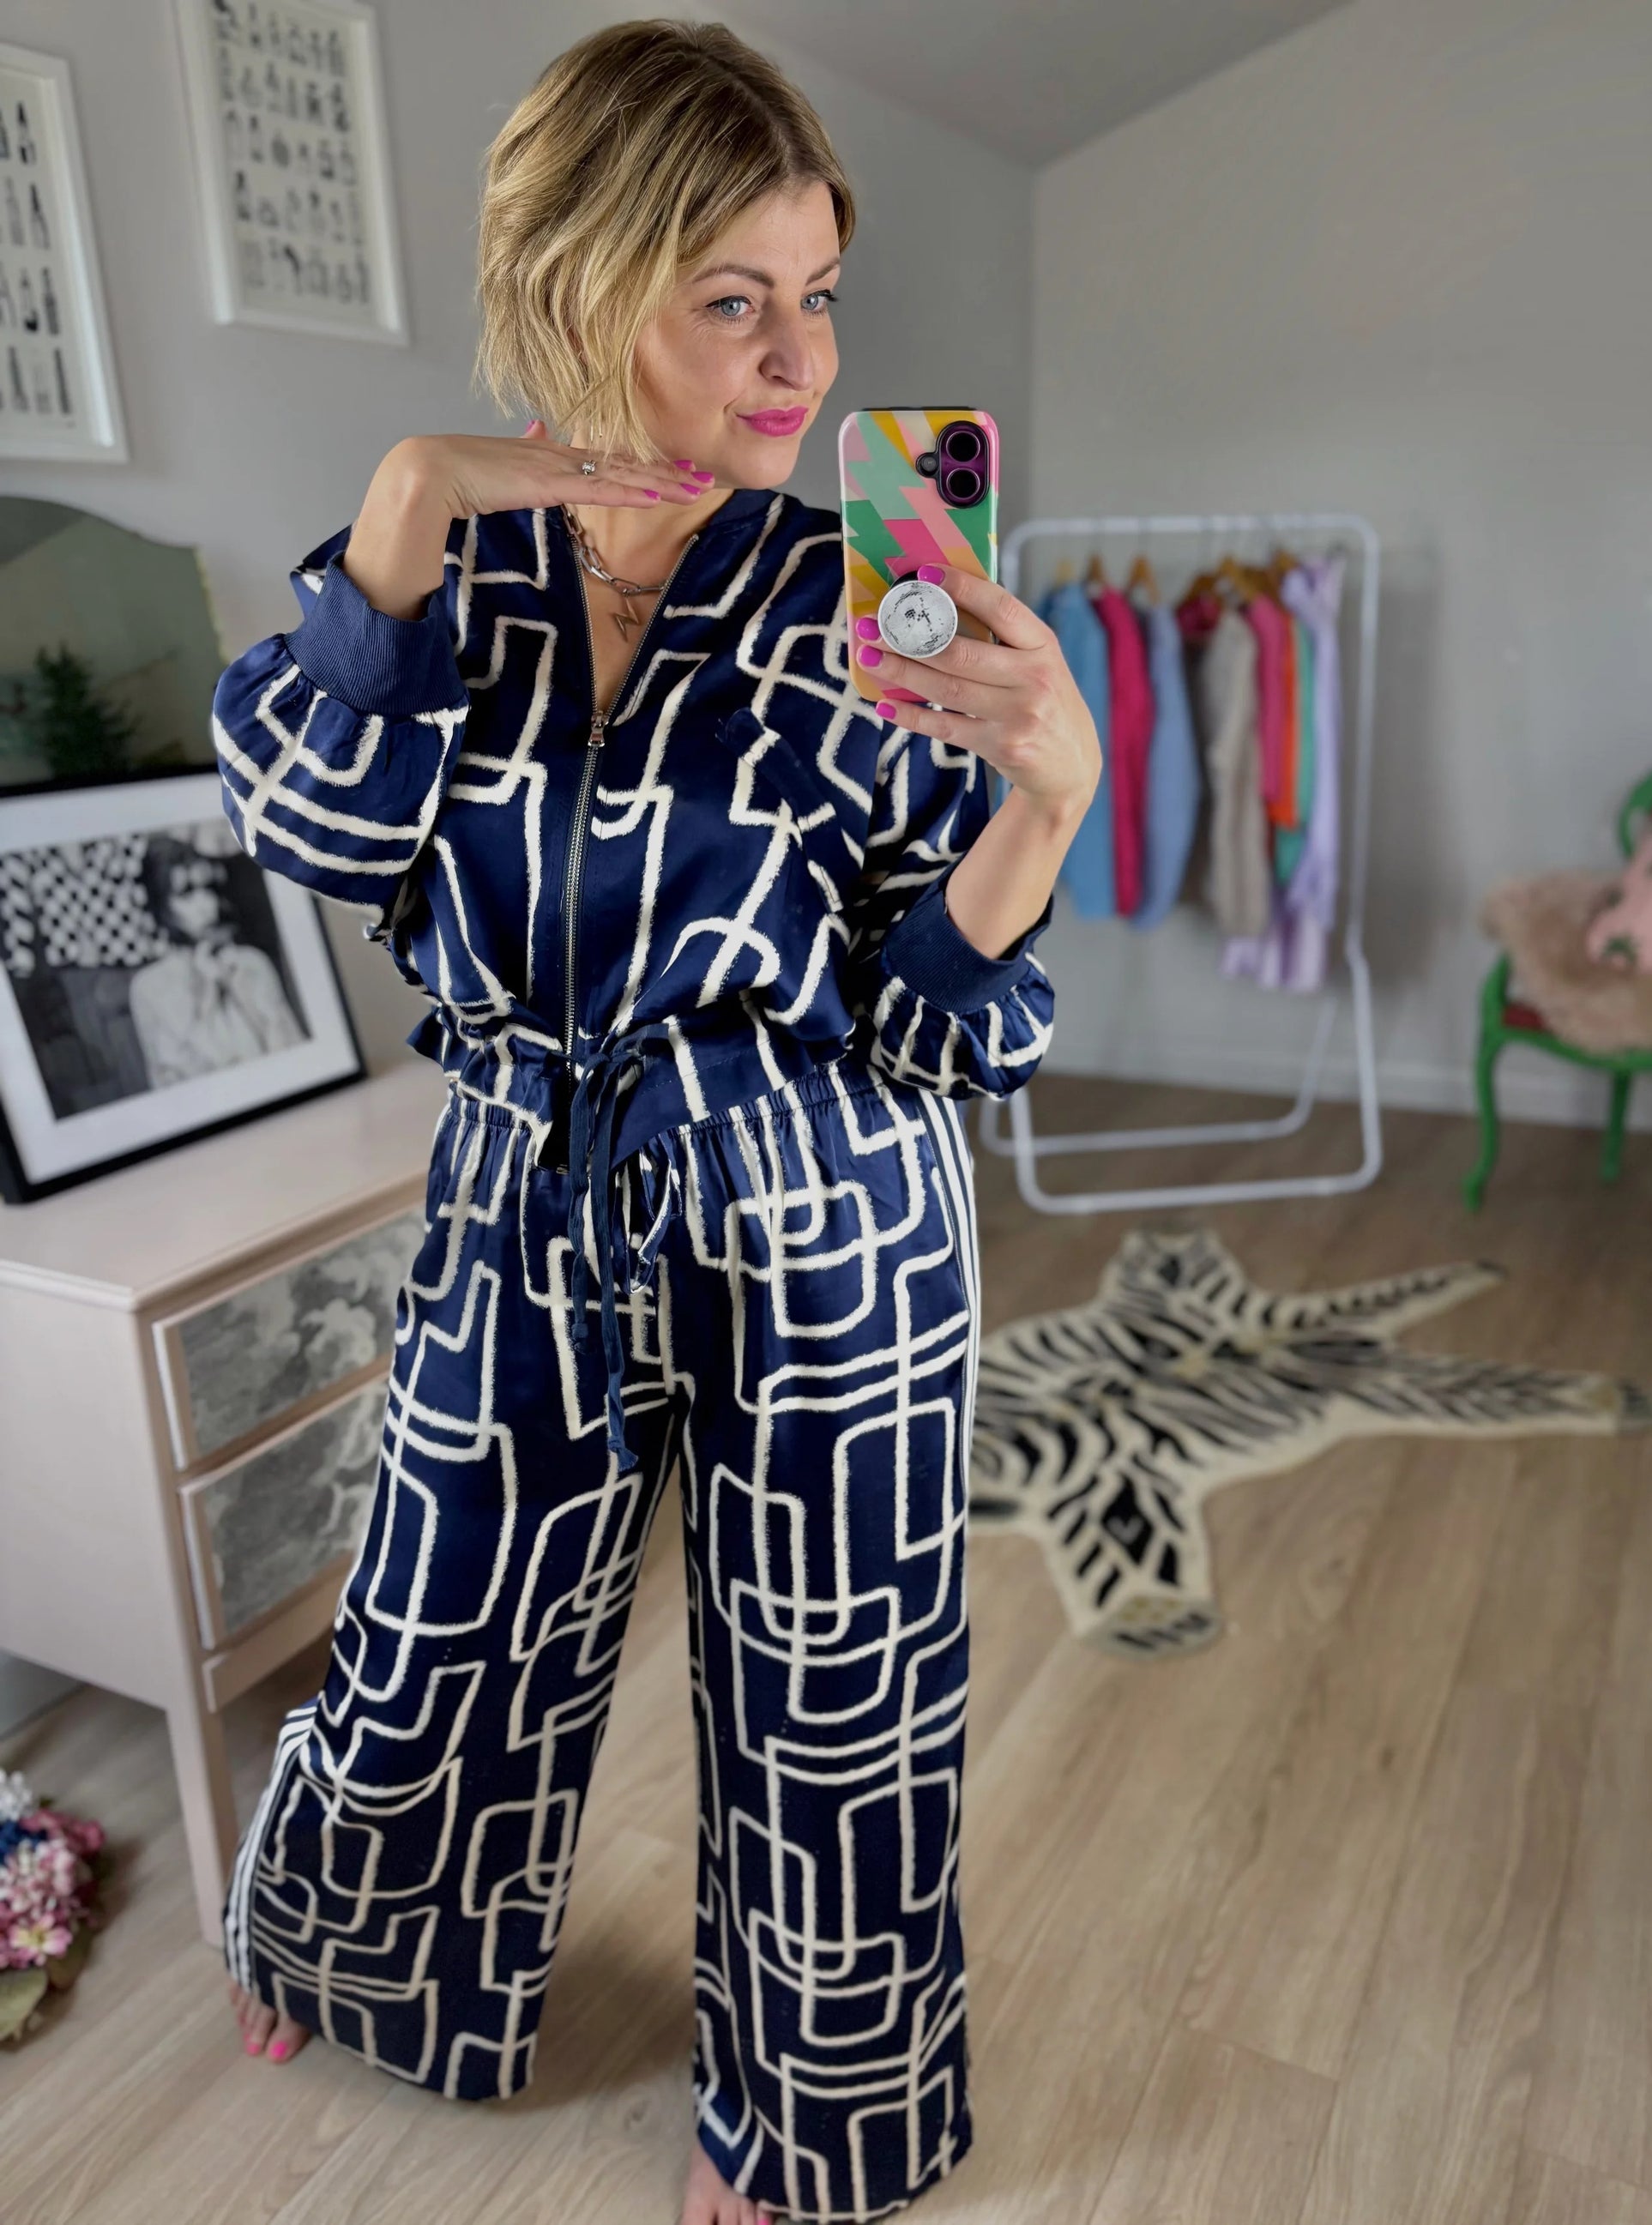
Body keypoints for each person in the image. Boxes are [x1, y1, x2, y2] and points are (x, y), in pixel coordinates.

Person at [210, 20, 1098, 2223]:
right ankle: (358, 1941)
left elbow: (929, 1011)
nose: (796, 358)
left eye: (817, 295)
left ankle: (814, 2111)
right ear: (592, 282)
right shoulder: (448, 570)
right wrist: (412, 513)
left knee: (838, 1682)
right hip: (523, 1175)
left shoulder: (861, 596)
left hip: (822, 1184)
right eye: (734, 296)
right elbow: (316, 836)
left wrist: (1054, 792)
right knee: (432, 1619)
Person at [130, 833, 305, 1087]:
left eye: (209, 887)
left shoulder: (251, 963)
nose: (207, 904)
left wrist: (241, 991)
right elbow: (181, 1082)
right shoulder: (150, 987)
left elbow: (294, 1053)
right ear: (162, 906)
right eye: (186, 893)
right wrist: (208, 993)